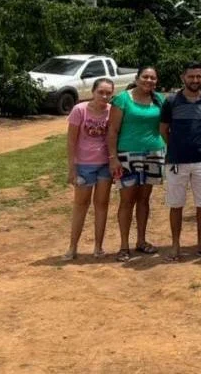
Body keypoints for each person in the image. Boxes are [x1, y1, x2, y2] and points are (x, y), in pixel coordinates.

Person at [159, 62, 201, 261]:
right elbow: (163, 129)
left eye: (198, 76)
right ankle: (175, 245)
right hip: (176, 161)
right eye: (191, 76)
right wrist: (176, 146)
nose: (195, 80)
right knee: (176, 204)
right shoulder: (171, 101)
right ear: (183, 78)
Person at [107, 67, 165, 262]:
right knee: (127, 200)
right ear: (137, 78)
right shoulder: (123, 99)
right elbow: (112, 130)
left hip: (153, 153)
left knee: (144, 199)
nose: (149, 80)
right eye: (145, 77)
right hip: (127, 155)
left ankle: (141, 240)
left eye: (152, 78)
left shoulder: (159, 100)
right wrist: (113, 158)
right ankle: (124, 246)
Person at [63, 78, 115, 260]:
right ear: (93, 92)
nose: (104, 96)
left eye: (108, 93)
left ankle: (98, 247)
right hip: (84, 165)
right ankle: (72, 247)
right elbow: (71, 141)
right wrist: (72, 168)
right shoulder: (80, 110)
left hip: (105, 165)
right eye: (101, 92)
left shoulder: (112, 111)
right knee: (81, 205)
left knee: (102, 204)